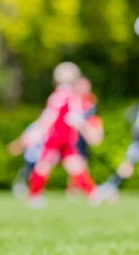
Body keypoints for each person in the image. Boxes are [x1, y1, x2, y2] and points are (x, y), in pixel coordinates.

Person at [9, 62, 101, 208]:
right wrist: (88, 132)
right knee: (53, 166)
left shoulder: (58, 95)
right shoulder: (68, 95)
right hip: (59, 139)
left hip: (58, 139)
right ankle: (92, 194)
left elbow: (49, 118)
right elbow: (71, 118)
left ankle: (93, 194)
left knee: (71, 166)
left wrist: (32, 135)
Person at [67, 77, 103, 194]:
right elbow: (75, 120)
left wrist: (96, 130)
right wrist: (88, 133)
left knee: (81, 161)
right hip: (70, 135)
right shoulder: (71, 99)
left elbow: (91, 119)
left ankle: (78, 189)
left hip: (81, 136)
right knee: (75, 162)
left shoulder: (90, 100)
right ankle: (76, 189)